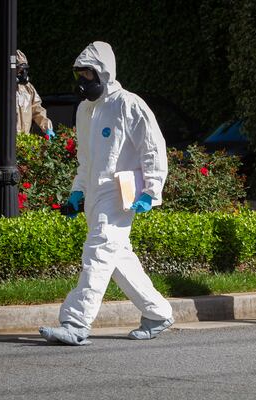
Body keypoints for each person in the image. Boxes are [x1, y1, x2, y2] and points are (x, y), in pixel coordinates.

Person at [39, 41, 173, 345]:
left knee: (98, 253)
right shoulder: (85, 110)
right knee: (118, 258)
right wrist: (77, 192)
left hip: (121, 195)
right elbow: (85, 160)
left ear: (105, 73)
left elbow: (153, 149)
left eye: (89, 75)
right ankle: (158, 312)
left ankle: (76, 321)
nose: (83, 82)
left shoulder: (129, 104)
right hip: (96, 197)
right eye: (80, 76)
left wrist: (152, 191)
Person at [0, 49, 55, 138]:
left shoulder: (28, 88)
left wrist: (47, 128)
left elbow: (37, 110)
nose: (24, 73)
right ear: (9, 69)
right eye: (20, 69)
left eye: (25, 69)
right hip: (4, 141)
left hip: (24, 141)